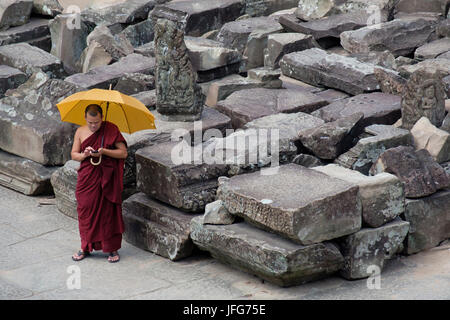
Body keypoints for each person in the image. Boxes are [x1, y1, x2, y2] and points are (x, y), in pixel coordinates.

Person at [71, 104, 128, 263]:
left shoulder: (110, 129)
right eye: (90, 122)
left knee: (107, 212)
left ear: (101, 118)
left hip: (106, 178)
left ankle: (111, 248)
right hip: (87, 176)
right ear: (85, 118)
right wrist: (85, 154)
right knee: (85, 210)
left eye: (96, 122)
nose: (93, 125)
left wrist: (104, 151)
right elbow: (74, 154)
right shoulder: (80, 131)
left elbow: (123, 152)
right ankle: (85, 247)